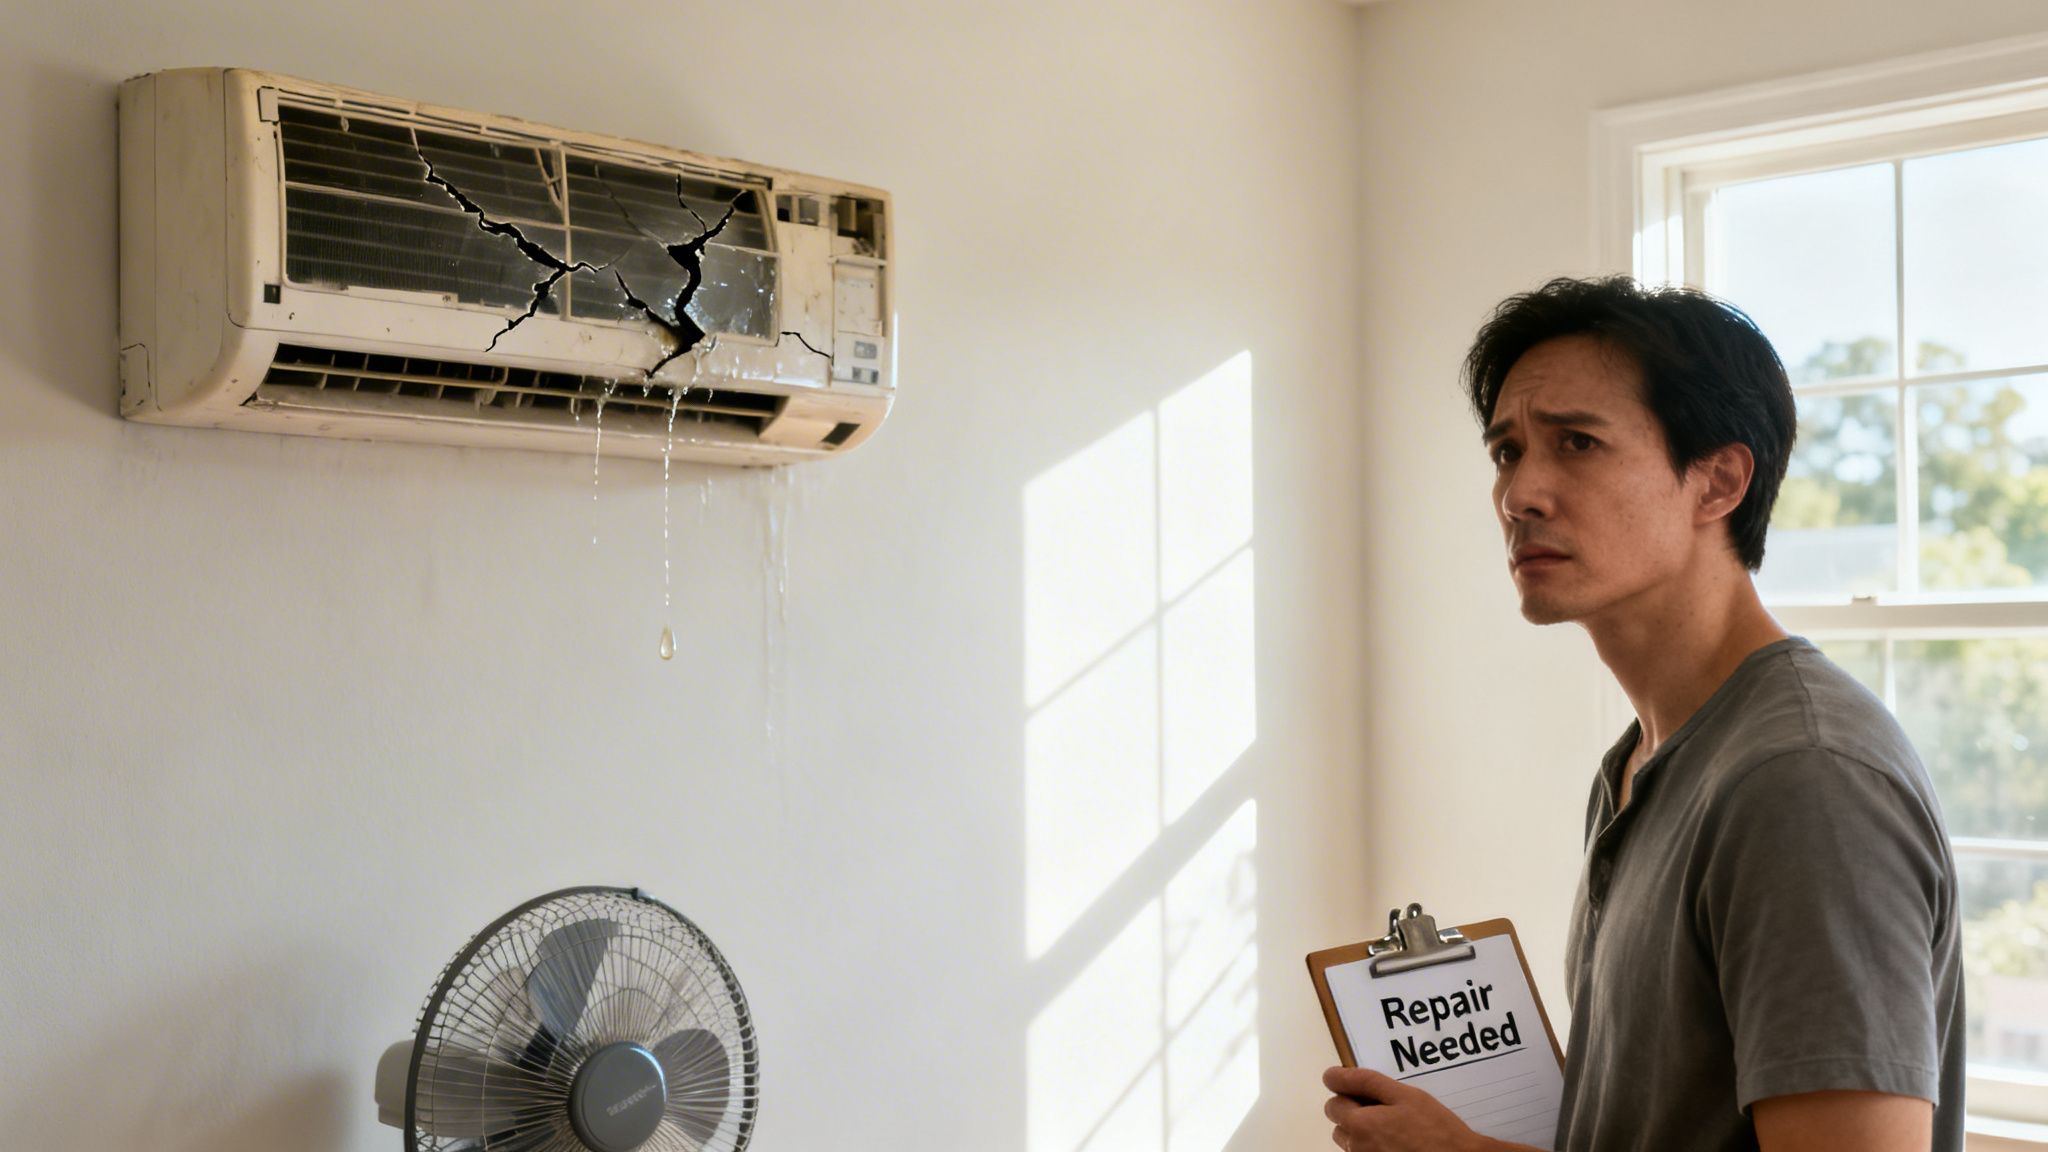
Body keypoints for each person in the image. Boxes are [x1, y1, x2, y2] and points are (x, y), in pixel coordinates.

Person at [1322, 277, 1963, 1151]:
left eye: (1577, 443)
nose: (1520, 494)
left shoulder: (1801, 779)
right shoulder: (1642, 764)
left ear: (1718, 482)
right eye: (1507, 452)